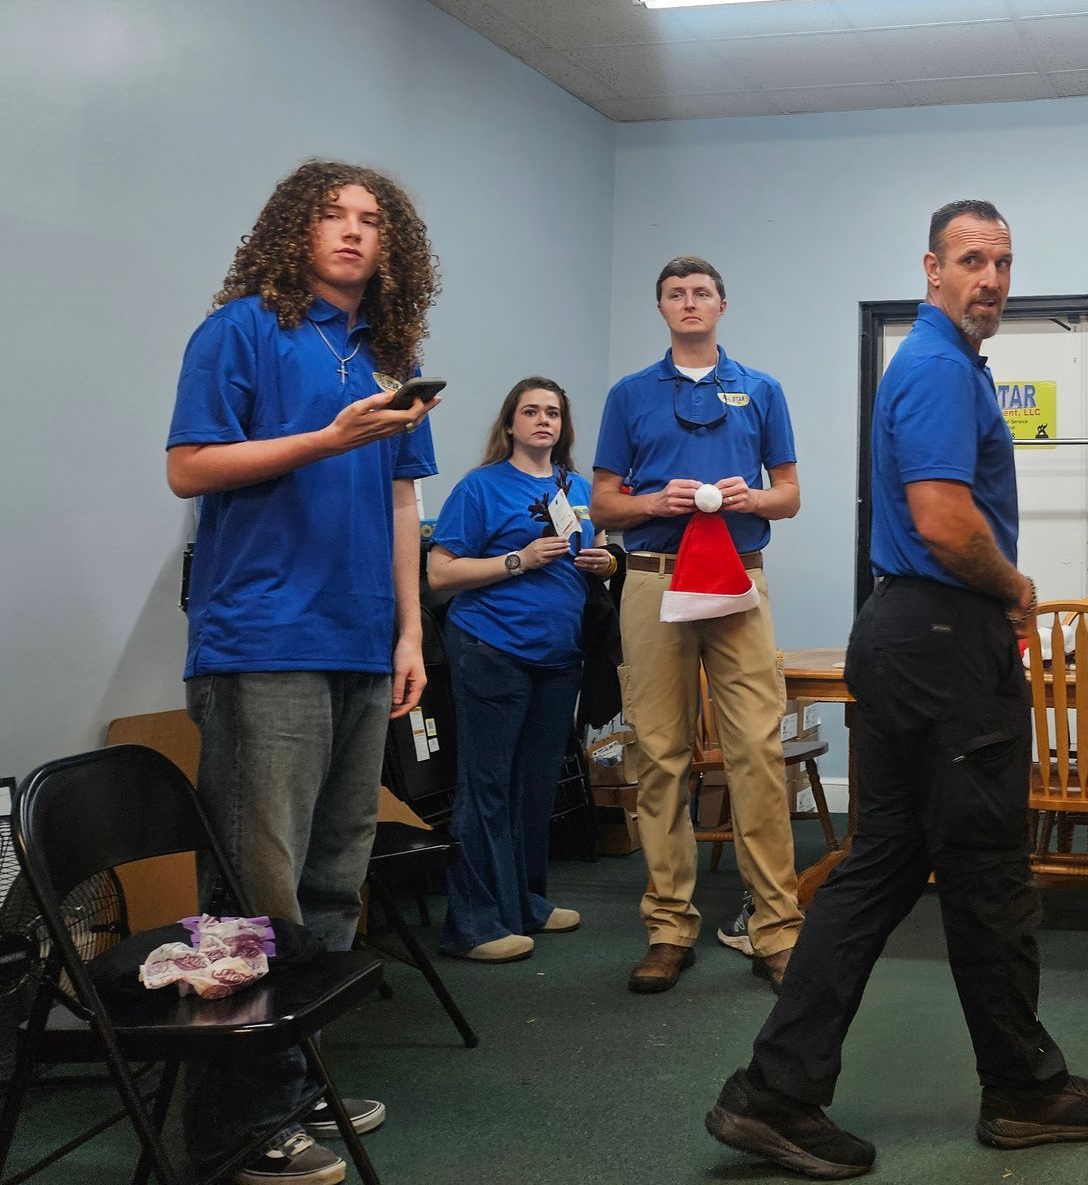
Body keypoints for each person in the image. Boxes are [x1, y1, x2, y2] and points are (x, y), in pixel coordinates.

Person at [705, 200, 1088, 1180]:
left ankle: (777, 1091)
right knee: (984, 872)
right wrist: (1017, 585)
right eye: (971, 259)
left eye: (1005, 262)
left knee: (881, 864)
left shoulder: (944, 364)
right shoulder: (939, 366)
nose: (991, 278)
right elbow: (942, 521)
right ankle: (1022, 1090)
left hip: (908, 631)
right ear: (930, 268)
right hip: (942, 636)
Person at [166, 160, 440, 1185]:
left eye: (373, 220)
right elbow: (189, 466)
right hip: (263, 644)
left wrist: (411, 634)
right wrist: (325, 438)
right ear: (294, 229)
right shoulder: (237, 331)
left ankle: (287, 1088)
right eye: (333, 214)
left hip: (364, 644)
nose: (354, 232)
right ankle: (232, 1132)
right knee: (254, 891)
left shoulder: (387, 353)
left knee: (331, 884)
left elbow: (406, 500)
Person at [589, 256, 804, 993]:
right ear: (662, 308)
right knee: (659, 755)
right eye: (676, 294)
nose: (690, 302)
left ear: (722, 303)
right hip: (652, 583)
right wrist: (655, 503)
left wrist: (753, 498)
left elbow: (791, 497)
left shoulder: (763, 390)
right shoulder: (629, 396)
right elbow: (604, 507)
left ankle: (776, 929)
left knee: (756, 753)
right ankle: (668, 927)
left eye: (701, 292)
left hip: (739, 585)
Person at [426, 378, 616, 962]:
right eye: (530, 411)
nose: (542, 421)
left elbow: (604, 550)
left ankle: (526, 902)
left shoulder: (578, 487)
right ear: (510, 424)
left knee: (535, 787)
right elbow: (438, 575)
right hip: (491, 648)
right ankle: (475, 924)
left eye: (552, 412)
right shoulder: (480, 488)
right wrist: (519, 559)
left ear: (564, 426)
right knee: (486, 785)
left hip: (558, 657)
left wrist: (605, 560)